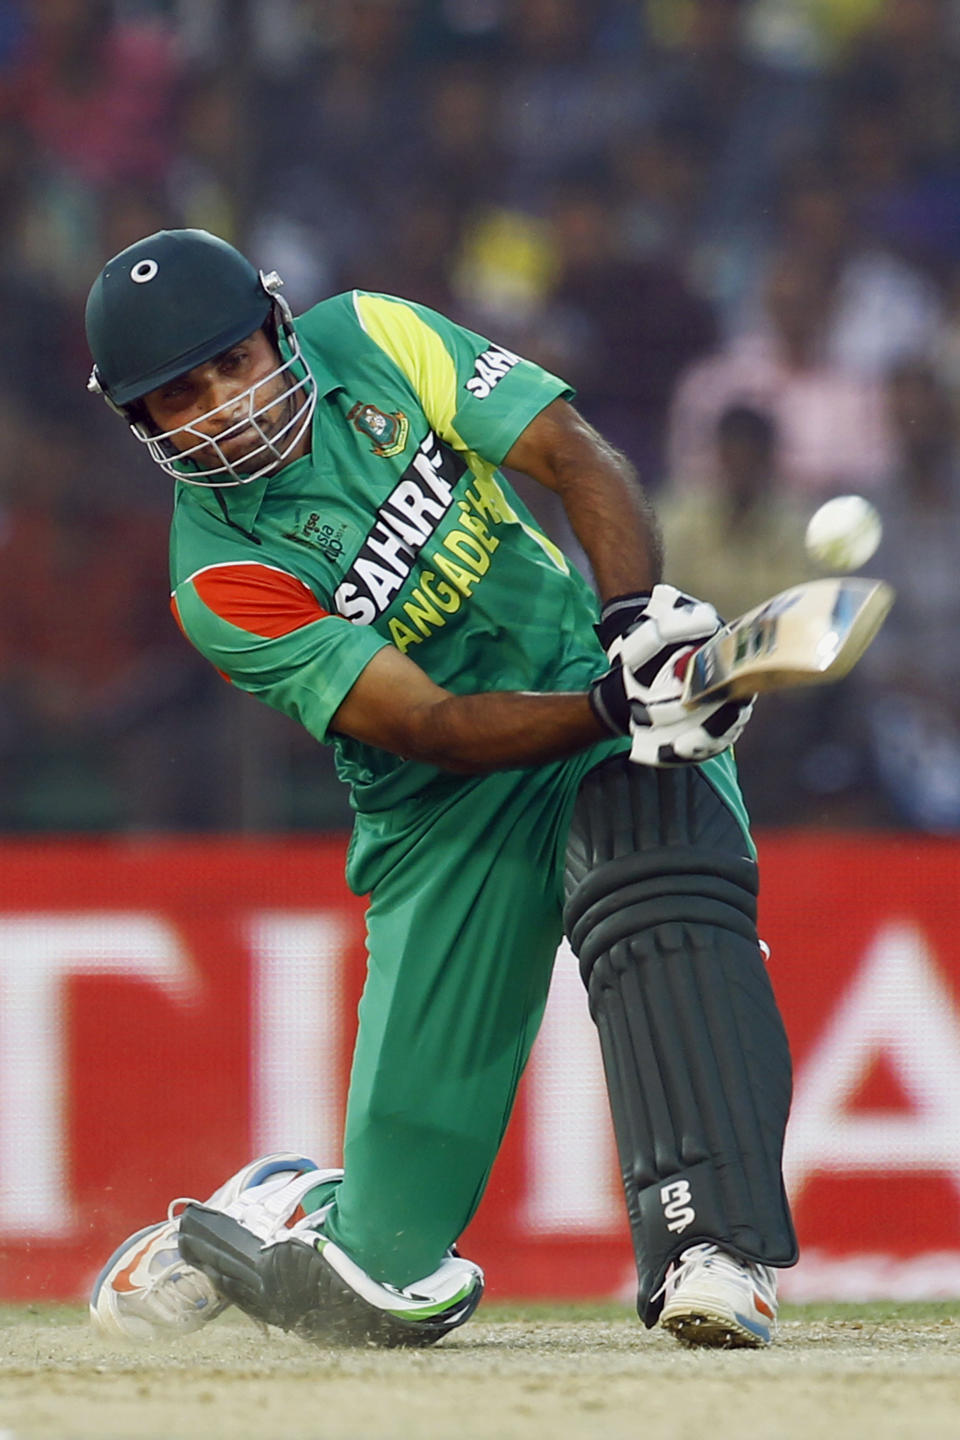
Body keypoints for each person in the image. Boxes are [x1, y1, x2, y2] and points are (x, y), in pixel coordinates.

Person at [83, 228, 796, 1351]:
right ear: (144, 427)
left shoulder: (371, 332)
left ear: (277, 329)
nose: (222, 406)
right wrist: (626, 705)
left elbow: (572, 455)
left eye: (231, 363)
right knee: (373, 1292)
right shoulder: (217, 577)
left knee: (667, 893)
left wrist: (635, 631)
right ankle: (289, 1207)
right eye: (180, 397)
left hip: (576, 671)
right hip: (439, 816)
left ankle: (713, 1249)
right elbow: (427, 725)